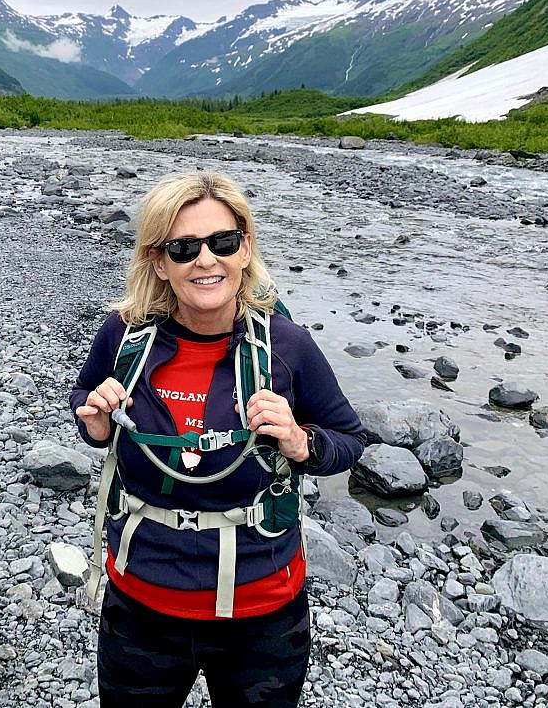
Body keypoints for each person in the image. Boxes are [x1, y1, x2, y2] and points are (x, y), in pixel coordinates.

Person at [71, 171, 366, 708]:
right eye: (184, 248)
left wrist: (301, 443)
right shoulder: (123, 334)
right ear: (159, 262)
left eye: (222, 242)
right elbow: (87, 396)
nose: (205, 260)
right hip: (141, 611)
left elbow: (348, 438)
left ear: (245, 248)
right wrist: (94, 424)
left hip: (262, 618)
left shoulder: (288, 347)